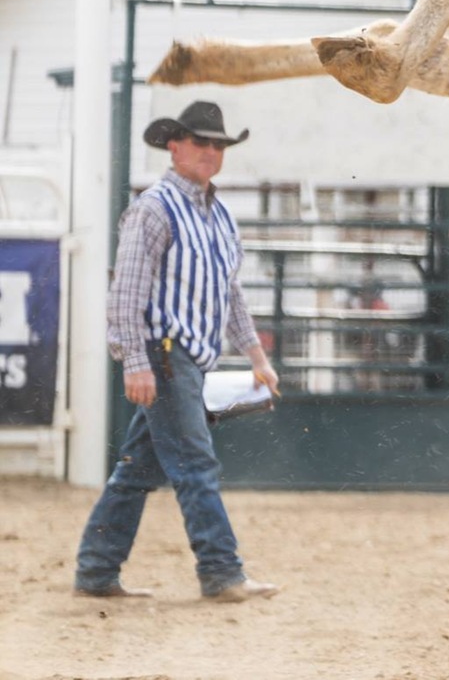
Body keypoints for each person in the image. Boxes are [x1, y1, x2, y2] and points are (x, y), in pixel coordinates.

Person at [73, 100, 282, 602]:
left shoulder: (220, 214)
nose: (210, 152)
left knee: (139, 470)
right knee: (194, 462)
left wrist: (256, 355)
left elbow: (229, 293)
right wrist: (135, 361)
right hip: (166, 354)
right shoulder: (154, 208)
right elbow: (126, 292)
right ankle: (221, 571)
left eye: (217, 144)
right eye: (201, 142)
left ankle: (97, 571)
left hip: (183, 356)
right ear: (175, 146)